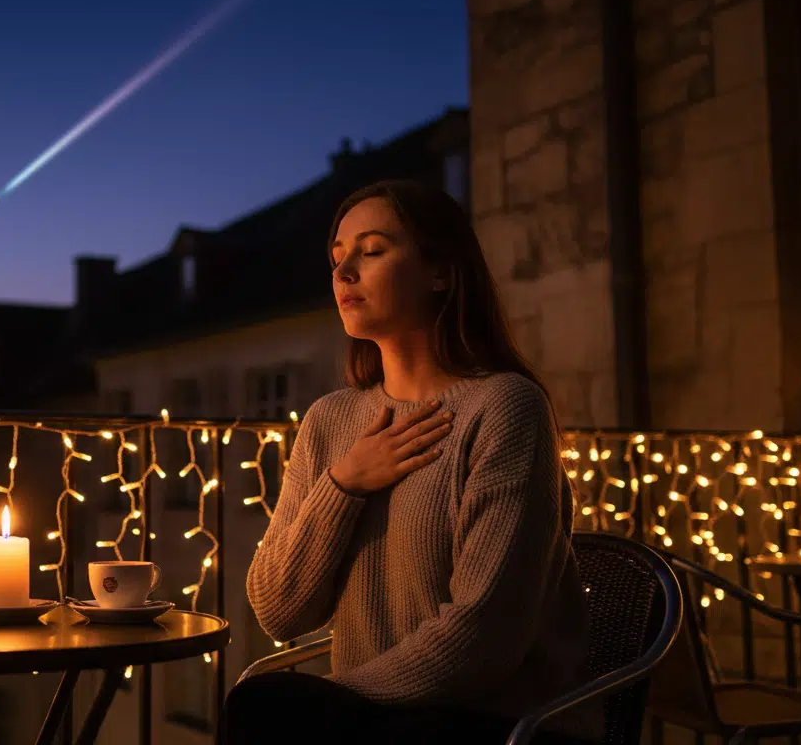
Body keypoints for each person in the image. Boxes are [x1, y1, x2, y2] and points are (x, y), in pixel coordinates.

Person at [222, 180, 599, 744]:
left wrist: (342, 696)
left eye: (371, 252)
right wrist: (344, 484)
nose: (344, 271)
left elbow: (483, 636)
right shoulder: (330, 421)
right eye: (337, 257)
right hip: (371, 716)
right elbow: (279, 610)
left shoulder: (504, 407)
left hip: (503, 721)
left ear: (440, 273)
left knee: (273, 711)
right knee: (257, 703)